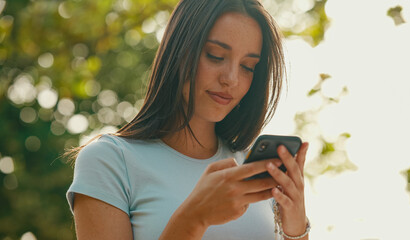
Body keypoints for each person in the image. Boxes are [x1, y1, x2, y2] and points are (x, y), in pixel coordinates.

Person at [66, 0, 310, 239]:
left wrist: (297, 229)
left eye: (247, 66)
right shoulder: (111, 161)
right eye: (215, 56)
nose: (231, 79)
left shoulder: (252, 169)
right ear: (179, 50)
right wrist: (195, 217)